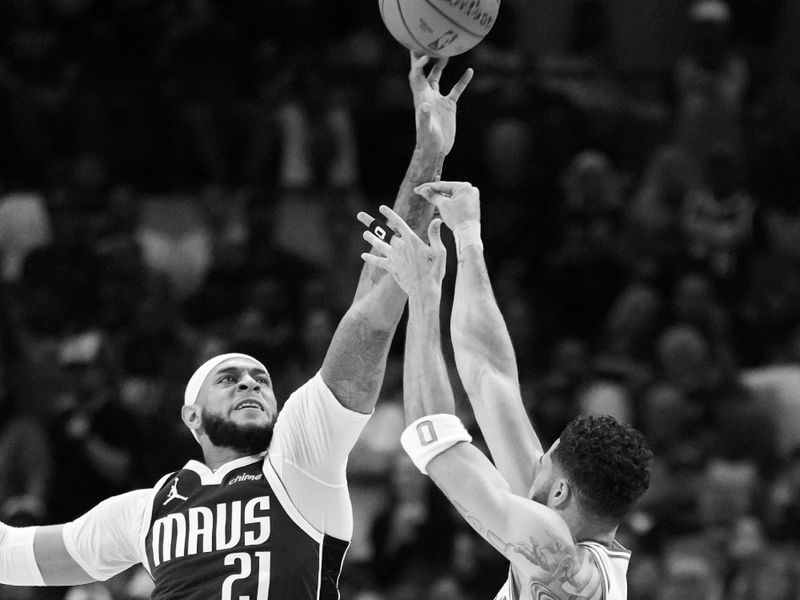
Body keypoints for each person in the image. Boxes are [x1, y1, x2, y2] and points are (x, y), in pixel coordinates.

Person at [0, 53, 473, 598]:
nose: (251, 382)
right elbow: (15, 554)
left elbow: (368, 319)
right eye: (230, 379)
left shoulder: (300, 460)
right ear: (191, 416)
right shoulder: (147, 510)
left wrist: (428, 155)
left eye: (259, 379)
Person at [359, 180, 652, 600]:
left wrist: (423, 297)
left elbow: (434, 440)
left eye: (544, 461)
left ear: (561, 491)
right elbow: (488, 375)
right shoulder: (562, 528)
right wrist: (468, 236)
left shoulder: (554, 548)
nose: (536, 461)